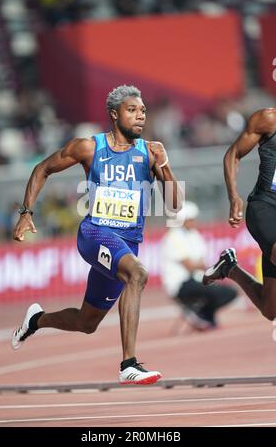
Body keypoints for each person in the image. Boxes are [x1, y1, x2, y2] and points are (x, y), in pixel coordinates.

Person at [12, 85, 182, 385]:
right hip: (95, 233)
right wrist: (26, 213)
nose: (140, 116)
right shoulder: (89, 148)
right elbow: (42, 169)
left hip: (127, 242)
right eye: (132, 110)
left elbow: (175, 205)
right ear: (114, 114)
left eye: (143, 111)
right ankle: (128, 364)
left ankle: (36, 320)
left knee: (87, 322)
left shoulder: (150, 152)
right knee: (138, 274)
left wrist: (165, 166)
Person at [203, 103, 276, 322]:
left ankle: (229, 268)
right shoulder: (269, 118)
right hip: (266, 208)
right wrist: (233, 196)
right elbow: (233, 154)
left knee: (272, 309)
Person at [161, 201, 237, 330]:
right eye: (191, 219)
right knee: (212, 290)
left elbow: (201, 263)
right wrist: (199, 265)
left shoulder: (194, 235)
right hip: (180, 284)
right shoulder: (173, 237)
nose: (194, 222)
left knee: (229, 292)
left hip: (197, 278)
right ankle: (200, 314)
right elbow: (190, 266)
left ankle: (202, 314)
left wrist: (199, 265)